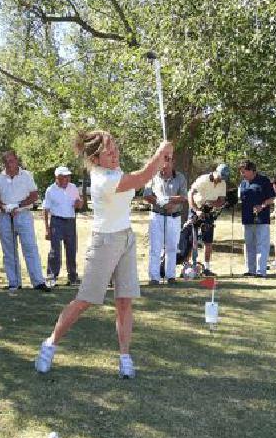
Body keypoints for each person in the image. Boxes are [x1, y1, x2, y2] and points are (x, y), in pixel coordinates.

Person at [34, 131, 172, 379]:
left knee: (124, 300)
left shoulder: (115, 171)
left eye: (115, 148)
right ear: (95, 159)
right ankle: (50, 344)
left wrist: (162, 159)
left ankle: (125, 357)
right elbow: (140, 178)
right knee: (84, 300)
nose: (115, 154)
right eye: (109, 152)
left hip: (126, 237)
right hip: (105, 242)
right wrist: (158, 155)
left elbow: (142, 176)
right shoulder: (101, 180)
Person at [0, 151, 50, 292]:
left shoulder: (26, 175)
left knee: (30, 248)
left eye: (11, 161)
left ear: (16, 160)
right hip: (5, 216)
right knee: (9, 250)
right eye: (6, 162)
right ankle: (14, 282)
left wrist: (18, 205)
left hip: (23, 214)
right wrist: (5, 207)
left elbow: (34, 195)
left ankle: (38, 282)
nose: (9, 164)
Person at [141, 156, 187, 284]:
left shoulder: (180, 177)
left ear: (173, 162)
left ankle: (170, 276)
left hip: (174, 217)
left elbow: (183, 197)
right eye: (162, 161)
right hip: (157, 216)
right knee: (155, 247)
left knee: (172, 247)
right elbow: (147, 195)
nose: (164, 164)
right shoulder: (153, 176)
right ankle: (154, 277)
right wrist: (160, 202)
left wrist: (168, 200)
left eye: (168, 161)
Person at [184, 164, 229, 276]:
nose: (221, 179)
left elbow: (221, 201)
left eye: (224, 177)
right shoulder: (203, 179)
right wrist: (196, 209)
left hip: (209, 211)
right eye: (220, 176)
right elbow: (190, 193)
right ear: (215, 172)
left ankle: (207, 268)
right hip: (196, 209)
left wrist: (211, 203)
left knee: (208, 241)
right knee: (192, 239)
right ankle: (187, 267)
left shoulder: (222, 183)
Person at [42, 166, 84, 286]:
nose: (67, 178)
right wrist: (47, 229)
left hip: (70, 221)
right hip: (56, 221)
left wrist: (79, 203)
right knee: (55, 251)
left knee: (71, 249)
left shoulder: (73, 187)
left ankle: (72, 277)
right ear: (57, 178)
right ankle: (51, 277)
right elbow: (45, 210)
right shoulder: (50, 190)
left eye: (68, 176)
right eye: (64, 177)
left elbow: (79, 204)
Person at [237, 161, 276, 277]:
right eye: (241, 172)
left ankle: (261, 271)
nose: (242, 174)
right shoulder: (243, 183)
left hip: (262, 219)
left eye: (244, 172)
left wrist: (262, 206)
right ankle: (250, 270)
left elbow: (272, 198)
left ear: (251, 170)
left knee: (261, 245)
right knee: (249, 244)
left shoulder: (264, 181)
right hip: (247, 218)